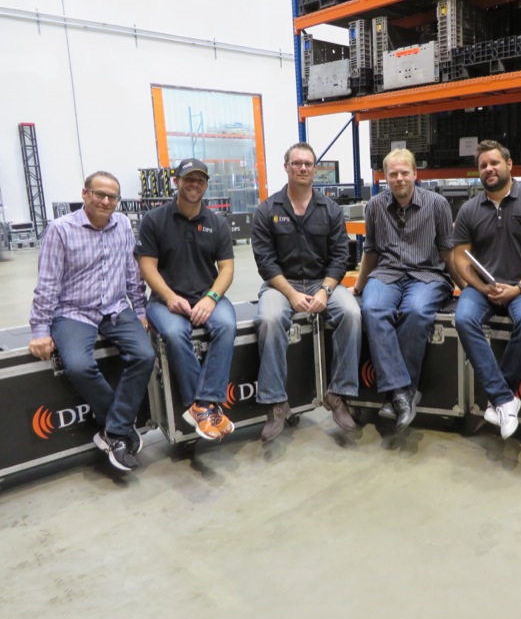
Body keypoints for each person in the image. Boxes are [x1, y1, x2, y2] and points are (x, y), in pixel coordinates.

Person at [29, 171, 155, 472]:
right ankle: (122, 427)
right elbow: (47, 283)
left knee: (145, 354)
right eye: (100, 194)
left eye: (112, 196)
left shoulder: (123, 224)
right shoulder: (60, 230)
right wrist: (40, 329)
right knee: (79, 365)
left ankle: (112, 432)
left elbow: (130, 272)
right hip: (73, 311)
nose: (106, 201)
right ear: (85, 194)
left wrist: (139, 309)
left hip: (114, 307)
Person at [251, 142, 361, 442]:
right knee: (270, 319)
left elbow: (340, 256)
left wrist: (326, 291)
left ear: (315, 169)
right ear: (286, 167)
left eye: (308, 164)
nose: (302, 168)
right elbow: (265, 261)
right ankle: (276, 402)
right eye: (296, 163)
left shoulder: (330, 210)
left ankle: (338, 394)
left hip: (320, 281)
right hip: (280, 283)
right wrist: (290, 294)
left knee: (351, 313)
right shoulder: (267, 210)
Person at [352, 148, 463, 431]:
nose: (399, 178)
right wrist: (360, 285)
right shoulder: (375, 206)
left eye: (404, 173)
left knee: (415, 310)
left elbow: (446, 251)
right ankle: (403, 393)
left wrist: (465, 287)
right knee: (373, 308)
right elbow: (371, 251)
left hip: (428, 275)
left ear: (415, 174)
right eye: (393, 174)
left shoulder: (437, 204)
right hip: (387, 273)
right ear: (384, 177)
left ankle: (398, 395)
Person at [453, 140, 521, 439]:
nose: (489, 169)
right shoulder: (469, 209)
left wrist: (520, 287)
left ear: (509, 165)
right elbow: (461, 258)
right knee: (463, 318)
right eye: (483, 165)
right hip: (483, 288)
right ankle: (505, 400)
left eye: (494, 163)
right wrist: (482, 288)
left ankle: (498, 398)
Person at [137, 158, 236, 441]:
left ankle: (202, 405)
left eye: (200, 180)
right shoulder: (154, 220)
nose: (194, 185)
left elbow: (227, 269)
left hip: (207, 297)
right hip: (165, 301)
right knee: (173, 332)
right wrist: (169, 297)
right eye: (188, 179)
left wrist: (211, 298)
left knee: (227, 326)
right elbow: (147, 266)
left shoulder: (217, 223)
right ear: (176, 182)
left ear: (206, 185)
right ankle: (206, 408)